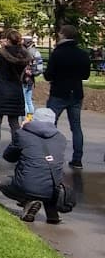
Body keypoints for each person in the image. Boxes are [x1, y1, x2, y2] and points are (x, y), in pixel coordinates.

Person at [0, 106, 66, 224]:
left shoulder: (22, 134)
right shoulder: (61, 138)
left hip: (28, 185)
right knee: (47, 178)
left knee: (4, 183)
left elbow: (8, 157)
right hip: (54, 188)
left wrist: (23, 128)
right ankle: (52, 211)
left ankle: (28, 202)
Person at [44, 24, 91, 169]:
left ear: (63, 34)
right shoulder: (82, 54)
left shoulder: (58, 53)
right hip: (76, 92)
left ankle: (51, 155)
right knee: (76, 127)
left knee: (50, 123)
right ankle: (77, 158)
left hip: (59, 91)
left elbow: (48, 74)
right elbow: (86, 75)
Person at [0, 28, 29, 161]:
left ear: (8, 40)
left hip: (2, 91)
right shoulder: (23, 55)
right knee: (14, 123)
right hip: (16, 91)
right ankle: (16, 150)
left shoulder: (3, 55)